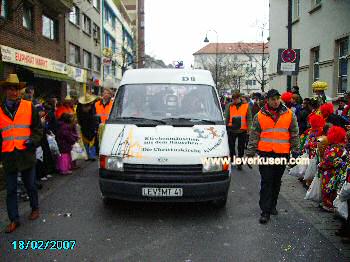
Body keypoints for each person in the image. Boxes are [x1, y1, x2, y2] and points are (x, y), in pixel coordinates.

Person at [246, 89, 300, 224]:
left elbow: (294, 133)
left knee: (276, 181)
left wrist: (295, 150)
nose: (276, 102)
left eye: (277, 99)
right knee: (266, 181)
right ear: (267, 100)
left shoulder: (289, 114)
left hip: (282, 153)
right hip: (265, 153)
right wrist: (250, 153)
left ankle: (273, 205)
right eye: (273, 99)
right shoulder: (259, 115)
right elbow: (254, 136)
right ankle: (265, 211)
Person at [0, 74, 43, 233]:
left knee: (30, 185)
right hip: (9, 155)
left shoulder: (28, 106)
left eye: (17, 89)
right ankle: (14, 219)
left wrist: (33, 141)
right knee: (11, 190)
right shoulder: (0, 109)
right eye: (11, 89)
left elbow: (38, 129)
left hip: (26, 152)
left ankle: (35, 208)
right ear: (5, 91)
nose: (14, 92)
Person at [319, 126, 347, 211]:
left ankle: (327, 204)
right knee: (331, 189)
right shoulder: (340, 148)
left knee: (328, 188)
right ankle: (329, 204)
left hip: (329, 173)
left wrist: (321, 165)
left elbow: (326, 161)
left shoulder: (333, 148)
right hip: (335, 173)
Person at [224, 91, 252, 170]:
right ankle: (232, 159)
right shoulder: (229, 106)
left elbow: (249, 118)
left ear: (240, 98)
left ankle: (239, 162)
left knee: (241, 147)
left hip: (242, 130)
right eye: (233, 99)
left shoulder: (246, 106)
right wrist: (225, 128)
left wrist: (249, 129)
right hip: (231, 130)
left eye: (236, 99)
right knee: (231, 147)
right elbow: (227, 117)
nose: (234, 101)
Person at [76, 93, 100, 160]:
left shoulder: (92, 106)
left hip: (91, 125)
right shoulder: (79, 106)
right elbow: (79, 116)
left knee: (92, 141)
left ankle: (92, 156)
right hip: (84, 125)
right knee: (85, 142)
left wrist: (96, 126)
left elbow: (94, 116)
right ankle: (86, 155)